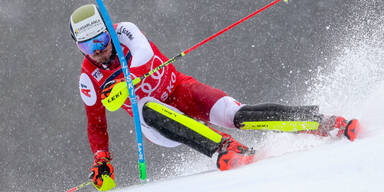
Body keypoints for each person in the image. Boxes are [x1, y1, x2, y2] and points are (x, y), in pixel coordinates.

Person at [70, 4, 360, 191]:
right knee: (145, 106)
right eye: (86, 45)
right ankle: (223, 148)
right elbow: (96, 124)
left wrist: (126, 80)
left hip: (182, 90)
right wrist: (102, 160)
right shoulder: (88, 79)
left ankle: (320, 122)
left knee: (236, 115)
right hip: (158, 124)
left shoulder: (125, 32)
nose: (97, 50)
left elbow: (144, 54)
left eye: (100, 39)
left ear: (109, 31)